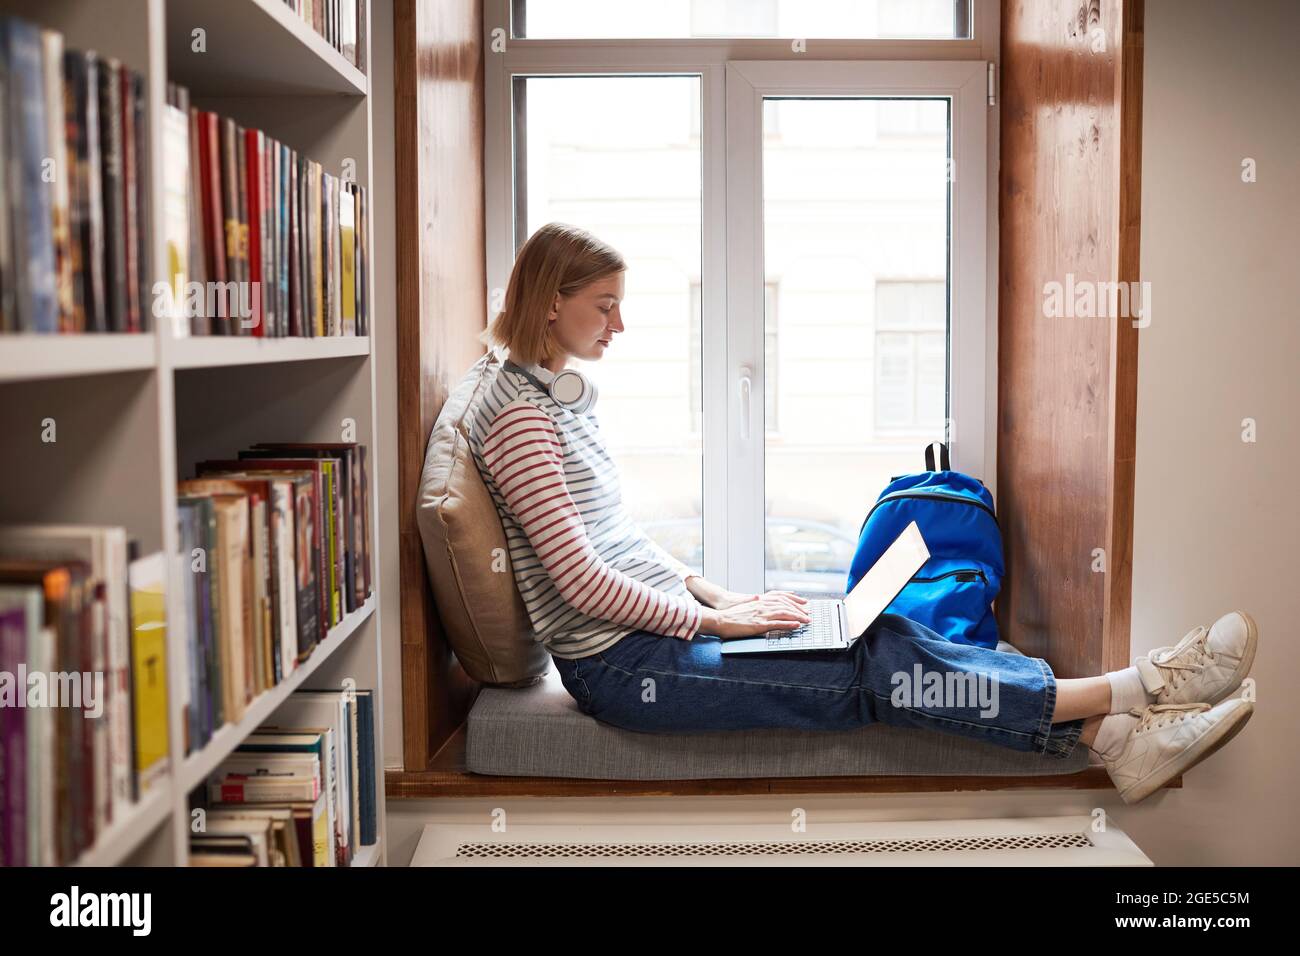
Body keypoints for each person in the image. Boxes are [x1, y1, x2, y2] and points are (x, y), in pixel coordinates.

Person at [465, 221, 1257, 805]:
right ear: (548, 304)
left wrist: (719, 595)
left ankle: (1114, 739)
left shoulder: (556, 401)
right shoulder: (520, 417)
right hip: (622, 665)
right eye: (605, 307)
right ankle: (1139, 689)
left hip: (659, 629)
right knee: (871, 671)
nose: (619, 325)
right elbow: (579, 581)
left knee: (871, 628)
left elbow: (619, 541)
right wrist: (717, 626)